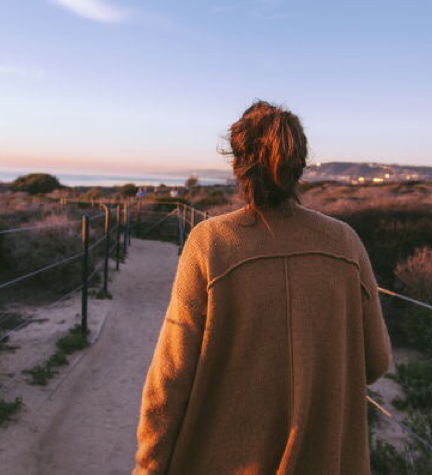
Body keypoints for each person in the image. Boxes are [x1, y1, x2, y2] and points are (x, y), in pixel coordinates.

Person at [132, 100, 392, 474]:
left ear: (238, 164)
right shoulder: (345, 243)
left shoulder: (210, 242)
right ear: (300, 165)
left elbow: (169, 379)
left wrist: (148, 467)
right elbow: (376, 361)